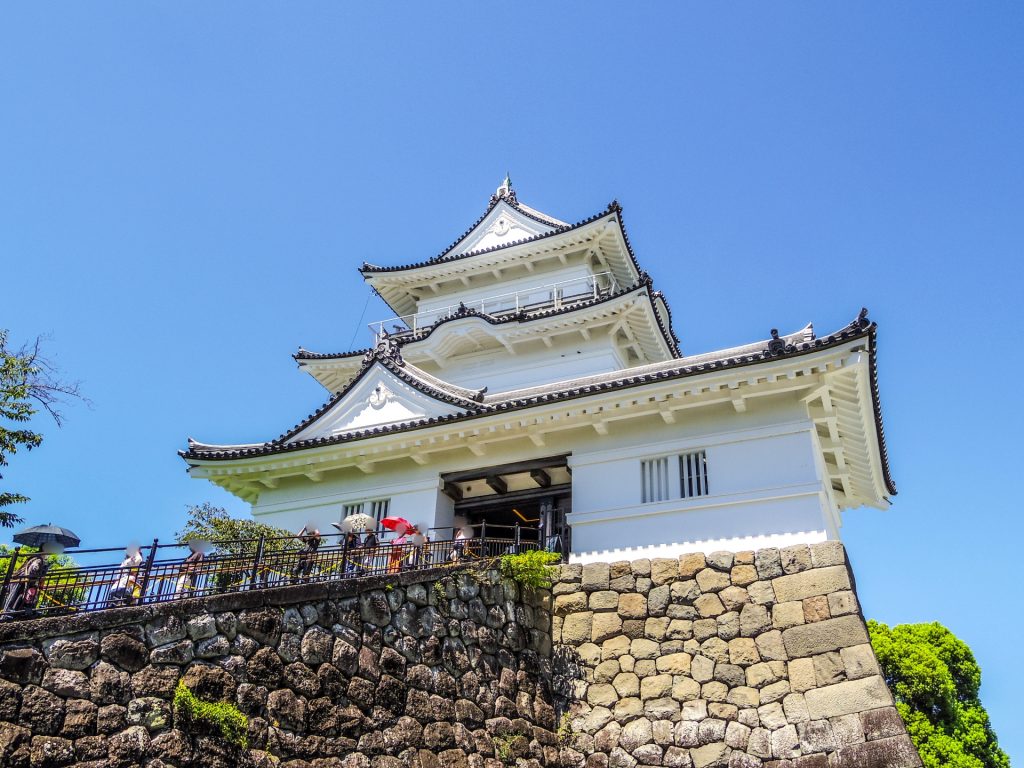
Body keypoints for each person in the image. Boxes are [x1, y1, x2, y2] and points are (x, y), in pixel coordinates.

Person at [1, 545, 53, 619]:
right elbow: (34, 570)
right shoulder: (39, 559)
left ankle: (11, 613)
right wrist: (41, 576)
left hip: (22, 581)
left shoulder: (35, 557)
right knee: (19, 597)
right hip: (24, 581)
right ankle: (11, 614)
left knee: (17, 597)